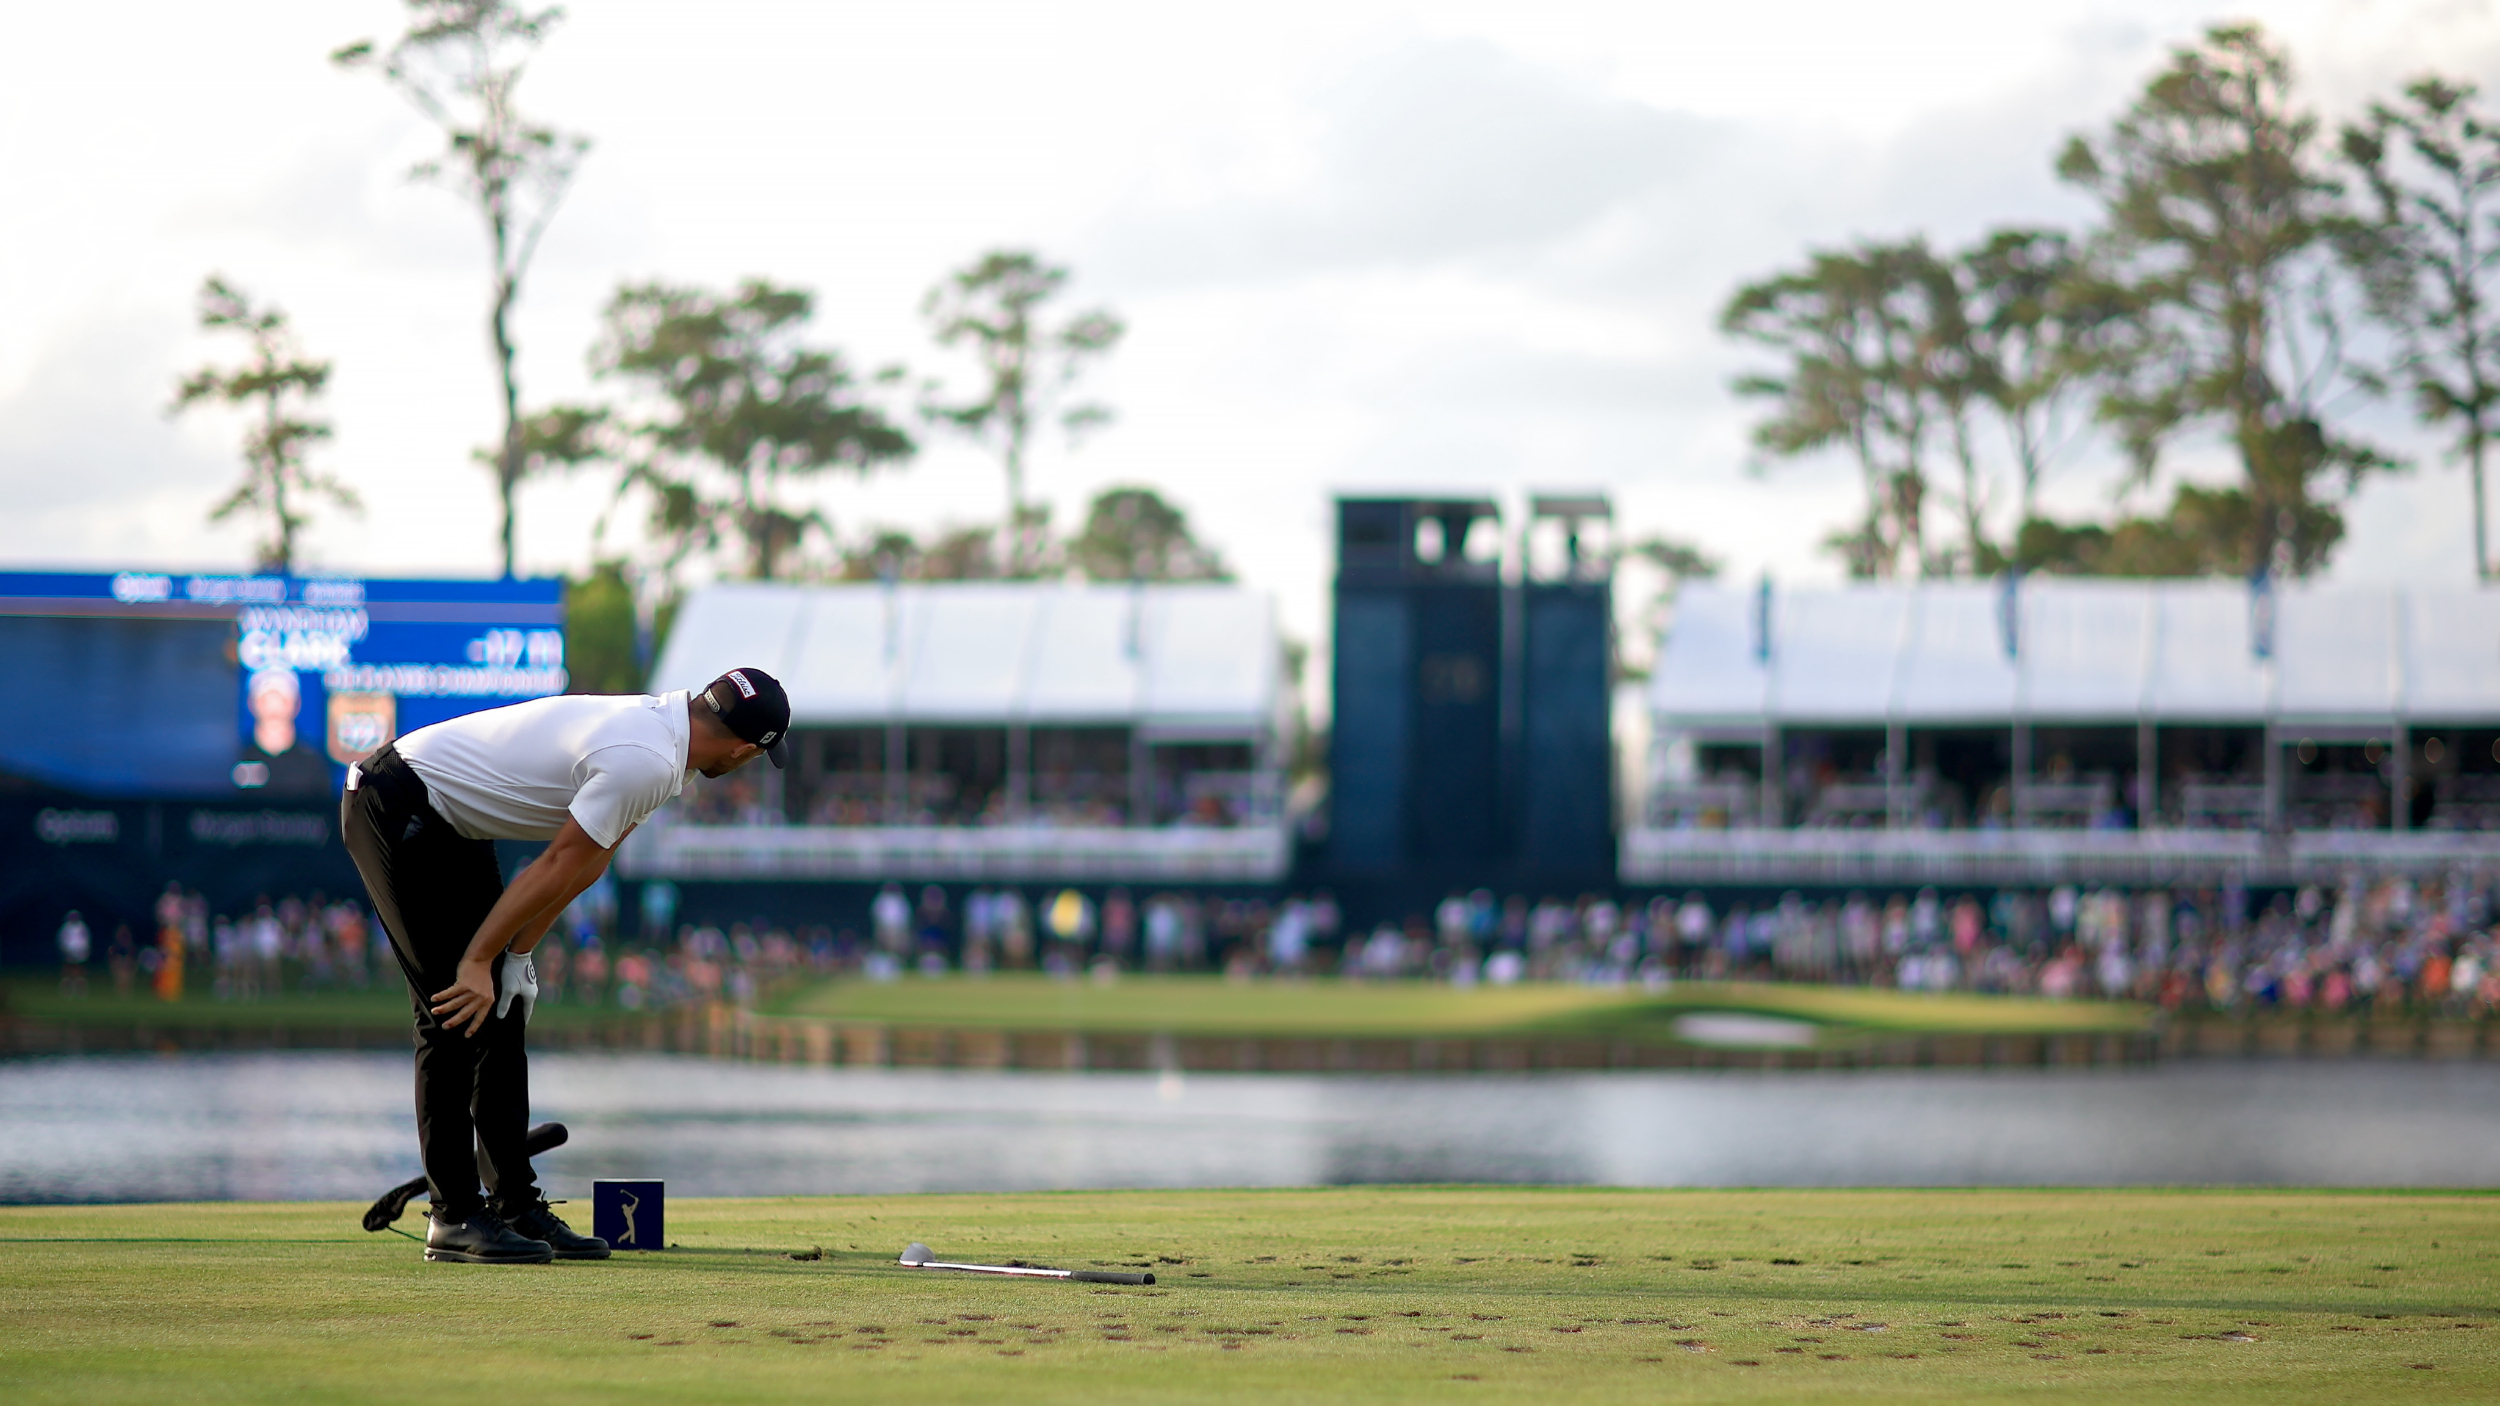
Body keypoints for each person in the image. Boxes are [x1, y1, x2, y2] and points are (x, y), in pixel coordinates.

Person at [341, 668, 789, 1264]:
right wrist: (477, 959)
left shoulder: (665, 741)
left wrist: (516, 957)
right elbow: (553, 864)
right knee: (452, 1010)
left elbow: (588, 863)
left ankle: (512, 1206)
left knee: (497, 1007)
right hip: (396, 802)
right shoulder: (647, 759)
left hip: (455, 824)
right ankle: (453, 1218)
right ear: (742, 749)